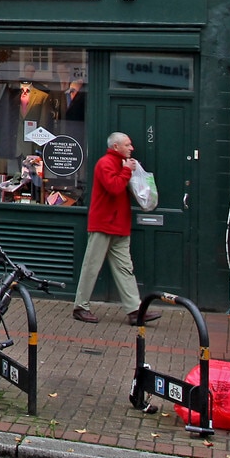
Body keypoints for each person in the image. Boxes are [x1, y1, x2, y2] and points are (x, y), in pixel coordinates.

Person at [72, 131, 141, 324]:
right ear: (116, 146)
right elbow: (114, 187)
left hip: (119, 225)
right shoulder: (105, 163)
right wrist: (127, 170)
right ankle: (80, 306)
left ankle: (135, 310)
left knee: (125, 268)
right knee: (92, 266)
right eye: (127, 145)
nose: (131, 148)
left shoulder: (121, 164)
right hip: (104, 224)